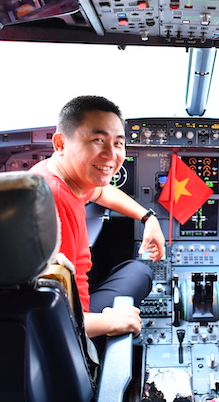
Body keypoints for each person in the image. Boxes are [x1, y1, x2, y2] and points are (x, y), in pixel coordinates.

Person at [29, 95, 165, 340]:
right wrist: (110, 322)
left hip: (67, 307)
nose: (111, 155)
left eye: (118, 143)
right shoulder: (55, 203)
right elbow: (58, 320)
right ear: (60, 143)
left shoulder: (59, 176)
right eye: (98, 140)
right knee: (140, 272)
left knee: (132, 269)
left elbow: (101, 191)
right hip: (73, 333)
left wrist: (148, 218)